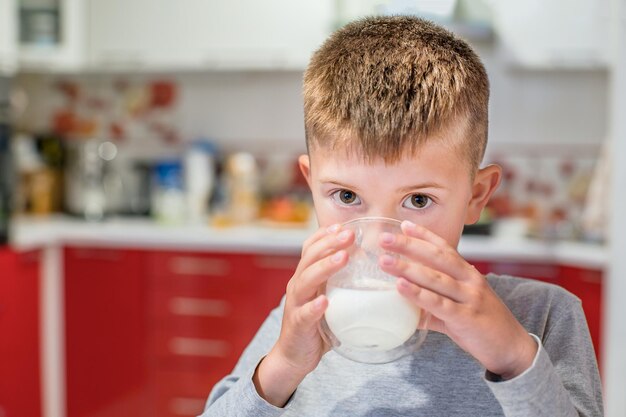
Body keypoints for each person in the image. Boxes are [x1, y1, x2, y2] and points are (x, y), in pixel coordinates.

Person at [199, 16, 603, 417]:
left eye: (419, 201)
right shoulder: (299, 321)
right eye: (346, 195)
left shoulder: (545, 316)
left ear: (475, 196)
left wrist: (514, 358)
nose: (376, 242)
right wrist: (283, 366)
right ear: (311, 184)